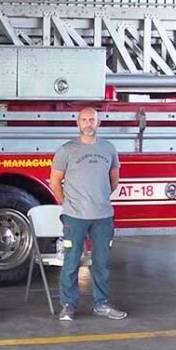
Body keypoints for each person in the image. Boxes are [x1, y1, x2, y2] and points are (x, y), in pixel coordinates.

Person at [49, 107, 127, 321]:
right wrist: (67, 205)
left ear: (98, 123)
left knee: (101, 262)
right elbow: (54, 181)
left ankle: (101, 304)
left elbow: (114, 180)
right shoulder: (66, 150)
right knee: (71, 261)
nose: (88, 123)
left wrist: (99, 199)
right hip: (74, 217)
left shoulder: (108, 148)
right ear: (78, 123)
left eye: (92, 120)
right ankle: (68, 305)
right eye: (84, 120)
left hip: (103, 217)